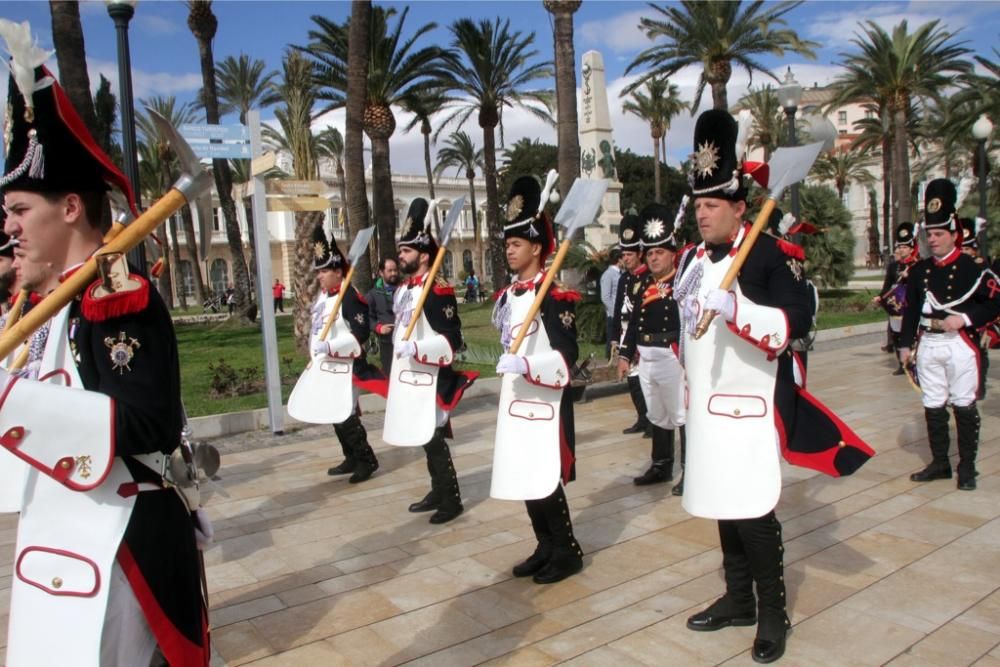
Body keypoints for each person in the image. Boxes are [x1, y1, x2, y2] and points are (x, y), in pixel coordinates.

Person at [0, 53, 209, 665]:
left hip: (113, 545)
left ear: (69, 208)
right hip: (54, 542)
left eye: (19, 212)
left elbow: (150, 423)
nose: (8, 229)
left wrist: (14, 404)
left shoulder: (117, 301)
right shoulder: (40, 306)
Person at [676, 110, 873, 664]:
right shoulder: (692, 259)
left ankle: (772, 612)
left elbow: (794, 324)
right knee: (721, 506)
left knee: (754, 514)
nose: (703, 214)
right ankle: (738, 599)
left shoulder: (767, 252)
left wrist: (737, 307)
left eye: (713, 204)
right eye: (698, 204)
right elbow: (686, 329)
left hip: (751, 408)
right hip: (707, 409)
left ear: (741, 206)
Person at [492, 175, 583, 584]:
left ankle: (567, 549)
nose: (509, 250)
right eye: (507, 244)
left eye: (515, 244)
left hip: (544, 403)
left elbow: (567, 359)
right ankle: (544, 545)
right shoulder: (509, 296)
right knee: (524, 475)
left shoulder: (554, 295)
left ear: (536, 247)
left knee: (544, 477)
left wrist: (528, 367)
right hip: (516, 401)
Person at [898, 181, 1000, 492]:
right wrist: (904, 345)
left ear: (955, 234)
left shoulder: (972, 269)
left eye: (940, 234)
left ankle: (967, 466)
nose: (933, 240)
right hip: (929, 344)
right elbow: (912, 309)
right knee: (933, 404)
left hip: (960, 344)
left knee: (964, 405)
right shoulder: (920, 271)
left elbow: (995, 301)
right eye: (930, 235)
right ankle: (940, 462)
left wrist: (966, 318)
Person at [382, 198, 478, 524]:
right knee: (424, 439)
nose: (400, 256)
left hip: (434, 378)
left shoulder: (437, 289)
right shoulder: (407, 289)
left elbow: (451, 339)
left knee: (433, 438)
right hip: (411, 377)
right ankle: (437, 490)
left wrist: (419, 349)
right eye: (400, 250)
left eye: (406, 251)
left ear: (423, 255)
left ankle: (451, 499)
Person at [617, 203, 685, 489]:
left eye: (660, 253)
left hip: (671, 356)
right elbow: (633, 322)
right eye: (651, 253)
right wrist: (624, 354)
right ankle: (661, 465)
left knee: (681, 414)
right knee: (657, 414)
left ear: (672, 254)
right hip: (645, 357)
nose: (655, 258)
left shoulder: (682, 282)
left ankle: (691, 471)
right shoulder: (642, 284)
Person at [308, 224, 381, 483]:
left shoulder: (349, 297)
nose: (320, 276)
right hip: (326, 367)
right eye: (319, 271)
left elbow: (360, 333)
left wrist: (331, 347)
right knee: (334, 414)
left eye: (325, 271)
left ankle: (367, 459)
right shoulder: (323, 298)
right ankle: (350, 456)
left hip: (347, 368)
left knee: (346, 414)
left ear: (339, 272)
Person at [611, 211, 652, 439]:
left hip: (641, 335)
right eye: (623, 254)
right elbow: (618, 309)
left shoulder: (647, 277)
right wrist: (615, 337)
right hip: (626, 332)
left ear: (639, 254)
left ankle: (652, 422)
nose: (625, 258)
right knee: (633, 380)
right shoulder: (624, 279)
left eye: (629, 254)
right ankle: (642, 418)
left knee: (645, 379)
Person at [873, 223, 919, 375]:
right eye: (900, 247)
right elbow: (887, 285)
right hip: (896, 306)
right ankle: (902, 364)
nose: (901, 249)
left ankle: (914, 362)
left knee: (913, 335)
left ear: (912, 248)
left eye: (905, 247)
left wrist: (911, 277)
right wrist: (880, 296)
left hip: (911, 306)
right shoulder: (893, 267)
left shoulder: (918, 265)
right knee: (897, 335)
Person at [367, 257, 400, 372]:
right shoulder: (372, 294)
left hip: (407, 341)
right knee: (390, 375)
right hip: (387, 343)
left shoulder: (405, 289)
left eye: (395, 270)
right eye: (390, 271)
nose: (394, 273)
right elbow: (367, 317)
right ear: (381, 272)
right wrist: (379, 327)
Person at [600, 248, 622, 358]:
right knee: (612, 340)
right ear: (619, 259)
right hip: (613, 314)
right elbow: (605, 297)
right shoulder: (608, 274)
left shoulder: (621, 273)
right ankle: (609, 360)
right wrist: (615, 313)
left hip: (622, 312)